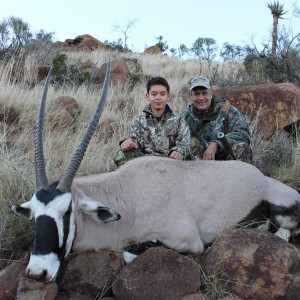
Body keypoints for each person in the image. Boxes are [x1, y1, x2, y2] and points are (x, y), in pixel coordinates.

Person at [114, 76, 191, 166]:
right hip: (146, 162)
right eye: (154, 94)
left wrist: (180, 151)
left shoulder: (178, 120)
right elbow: (135, 141)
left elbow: (185, 143)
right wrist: (128, 143)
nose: (158, 98)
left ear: (168, 96)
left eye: (162, 94)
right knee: (122, 155)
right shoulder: (139, 121)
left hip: (170, 162)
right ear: (147, 96)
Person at [181, 76, 252, 163]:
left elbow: (244, 134)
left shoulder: (228, 111)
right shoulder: (185, 116)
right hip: (200, 161)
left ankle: (238, 176)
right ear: (190, 95)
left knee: (241, 147)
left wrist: (217, 143)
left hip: (226, 161)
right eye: (196, 94)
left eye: (204, 93)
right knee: (188, 143)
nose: (201, 98)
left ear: (211, 93)